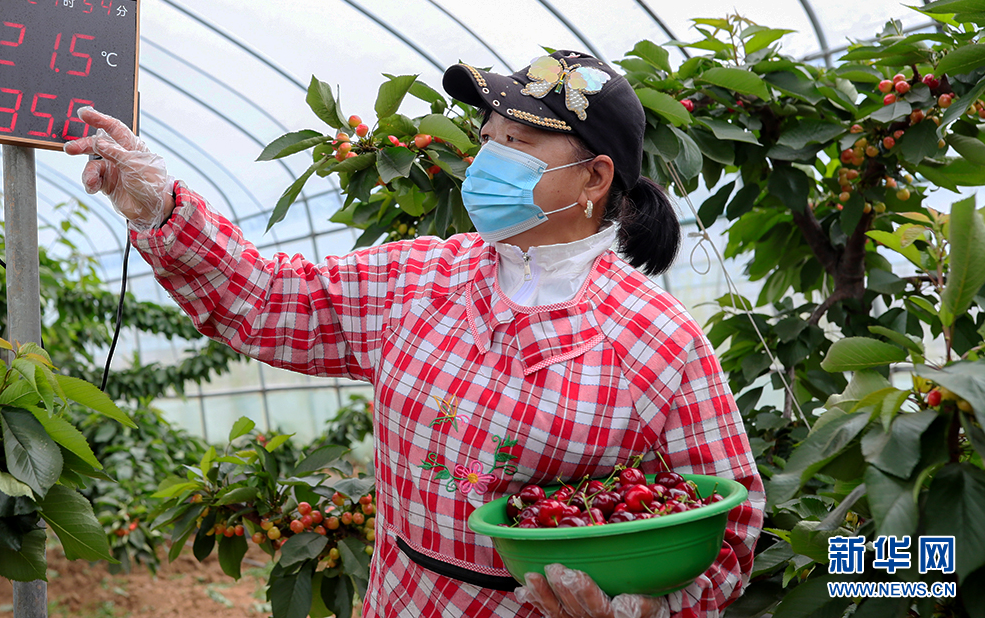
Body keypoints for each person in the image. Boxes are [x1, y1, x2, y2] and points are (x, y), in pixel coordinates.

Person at [64, 50, 765, 618]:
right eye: (488, 139)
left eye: (517, 143)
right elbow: (270, 298)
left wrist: (650, 608)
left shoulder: (656, 342)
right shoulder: (419, 278)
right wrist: (163, 211)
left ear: (594, 176)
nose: (485, 159)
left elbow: (730, 525)